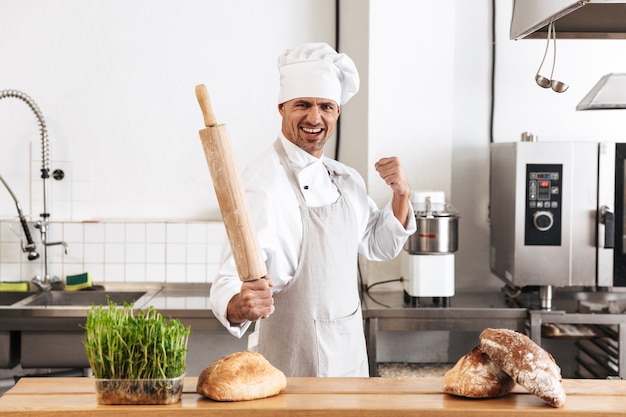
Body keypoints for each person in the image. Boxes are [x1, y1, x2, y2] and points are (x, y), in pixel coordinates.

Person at [209, 42, 416, 377]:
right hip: (292, 366)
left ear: (337, 112)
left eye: (326, 106)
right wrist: (239, 305)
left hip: (349, 361)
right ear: (281, 108)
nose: (315, 117)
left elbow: (378, 245)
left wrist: (401, 194)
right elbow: (228, 281)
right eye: (302, 104)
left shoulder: (344, 179)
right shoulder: (263, 185)